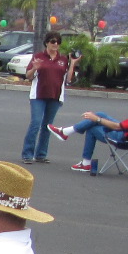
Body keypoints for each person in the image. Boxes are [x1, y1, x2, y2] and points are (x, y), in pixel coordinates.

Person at [49, 84, 128, 172]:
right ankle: (66, 133)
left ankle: (84, 160)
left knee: (93, 127)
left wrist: (97, 120)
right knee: (100, 114)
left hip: (124, 139)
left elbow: (118, 127)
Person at [20, 31, 79, 164]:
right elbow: (29, 76)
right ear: (47, 42)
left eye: (58, 42)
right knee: (35, 123)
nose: (55, 44)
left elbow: (68, 80)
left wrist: (73, 64)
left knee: (47, 126)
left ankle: (41, 154)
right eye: (52, 41)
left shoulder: (63, 59)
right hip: (38, 95)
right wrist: (34, 68)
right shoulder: (39, 56)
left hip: (55, 96)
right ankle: (27, 154)